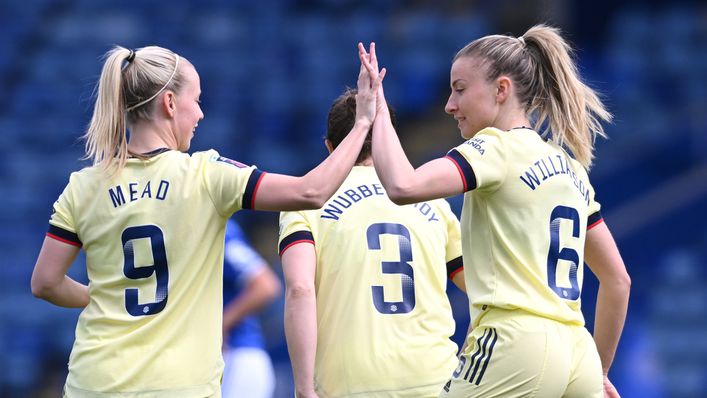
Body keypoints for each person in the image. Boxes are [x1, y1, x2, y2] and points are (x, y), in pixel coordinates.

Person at [29, 44, 383, 397]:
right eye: (196, 100)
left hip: (94, 382)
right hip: (179, 387)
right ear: (169, 103)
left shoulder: (84, 186)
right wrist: (362, 122)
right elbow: (311, 192)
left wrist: (102, 296)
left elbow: (45, 282)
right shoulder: (207, 175)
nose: (199, 114)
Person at [361, 25, 631, 398]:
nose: (449, 105)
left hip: (515, 343)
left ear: (502, 89)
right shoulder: (570, 169)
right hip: (577, 353)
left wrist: (376, 113)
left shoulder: (494, 147)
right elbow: (618, 280)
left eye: (459, 89)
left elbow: (403, 186)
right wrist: (597, 373)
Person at [278, 88, 467, 398]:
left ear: (329, 147)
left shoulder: (304, 204)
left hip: (351, 383)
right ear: (389, 138)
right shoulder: (435, 203)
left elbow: (300, 289)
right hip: (435, 378)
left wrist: (302, 387)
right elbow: (484, 289)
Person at [221, 219, 280, 398]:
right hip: (223, 360)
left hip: (237, 356)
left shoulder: (219, 227)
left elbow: (266, 286)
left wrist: (222, 325)